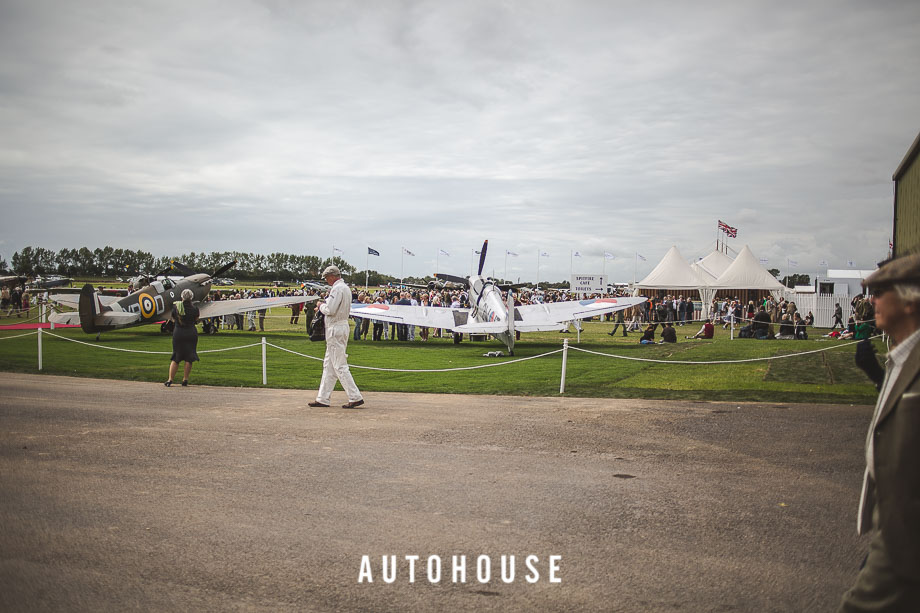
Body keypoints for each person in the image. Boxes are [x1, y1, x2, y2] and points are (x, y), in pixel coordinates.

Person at [839, 252, 920, 611]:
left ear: (910, 300)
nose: (871, 301)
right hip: (891, 523)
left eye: (880, 292)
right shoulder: (902, 356)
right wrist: (875, 375)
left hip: (906, 537)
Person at [308, 266, 364, 409]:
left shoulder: (337, 289)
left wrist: (320, 306)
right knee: (329, 365)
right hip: (341, 326)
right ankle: (323, 398)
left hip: (335, 328)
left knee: (339, 365)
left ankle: (355, 396)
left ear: (332, 276)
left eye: (327, 277)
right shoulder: (345, 288)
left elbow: (330, 310)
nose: (327, 280)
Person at [165, 289, 199, 387]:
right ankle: (185, 379)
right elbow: (196, 319)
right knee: (189, 357)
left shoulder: (176, 307)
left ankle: (170, 379)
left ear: (182, 297)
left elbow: (173, 318)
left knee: (176, 357)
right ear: (191, 297)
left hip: (179, 333)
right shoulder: (195, 309)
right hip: (191, 333)